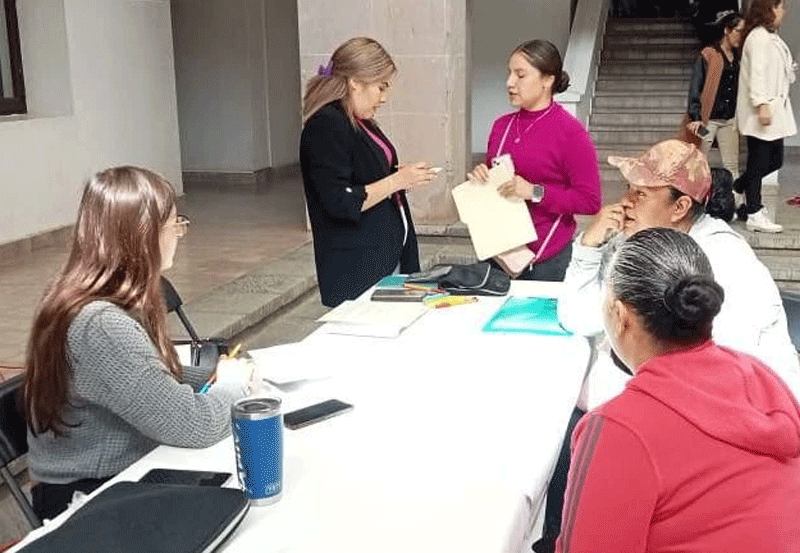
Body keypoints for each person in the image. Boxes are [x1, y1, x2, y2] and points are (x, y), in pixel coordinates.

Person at [536, 140, 800, 553]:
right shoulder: (649, 247)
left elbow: (704, 378)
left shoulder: (724, 261)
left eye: (641, 193)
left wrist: (601, 404)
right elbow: (582, 317)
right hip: (722, 438)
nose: (627, 202)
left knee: (574, 436)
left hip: (722, 438)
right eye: (628, 189)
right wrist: (589, 248)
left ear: (680, 207)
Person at [24, 167, 254, 521]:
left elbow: (145, 376)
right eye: (175, 224)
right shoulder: (100, 325)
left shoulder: (99, 295)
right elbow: (195, 426)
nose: (179, 234)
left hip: (122, 476)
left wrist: (212, 372)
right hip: (88, 499)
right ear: (144, 234)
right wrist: (235, 386)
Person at [300, 37, 439, 307]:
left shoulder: (360, 121)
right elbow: (339, 201)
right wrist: (397, 180)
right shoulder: (326, 124)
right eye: (380, 87)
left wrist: (401, 176)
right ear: (355, 82)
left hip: (387, 257)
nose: (384, 98)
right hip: (358, 267)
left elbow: (364, 175)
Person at [467, 40, 601, 281]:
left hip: (547, 259)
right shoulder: (501, 126)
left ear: (547, 80)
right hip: (498, 251)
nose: (510, 82)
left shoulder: (570, 133)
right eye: (509, 73)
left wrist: (534, 192)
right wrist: (482, 176)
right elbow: (496, 179)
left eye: (520, 75)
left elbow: (590, 201)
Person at [734, 0, 797, 232]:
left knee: (774, 161)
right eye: (780, 7)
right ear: (769, 9)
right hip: (763, 110)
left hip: (774, 109)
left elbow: (777, 70)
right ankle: (754, 212)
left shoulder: (770, 36)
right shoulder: (758, 38)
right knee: (759, 161)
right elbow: (757, 74)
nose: (783, 12)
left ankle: (739, 187)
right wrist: (761, 104)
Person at [683, 10, 744, 181]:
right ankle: (693, 195)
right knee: (697, 162)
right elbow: (696, 85)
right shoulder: (709, 54)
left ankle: (734, 197)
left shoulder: (737, 58)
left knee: (732, 165)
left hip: (729, 120)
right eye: (738, 31)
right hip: (707, 120)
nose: (741, 36)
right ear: (727, 30)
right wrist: (695, 116)